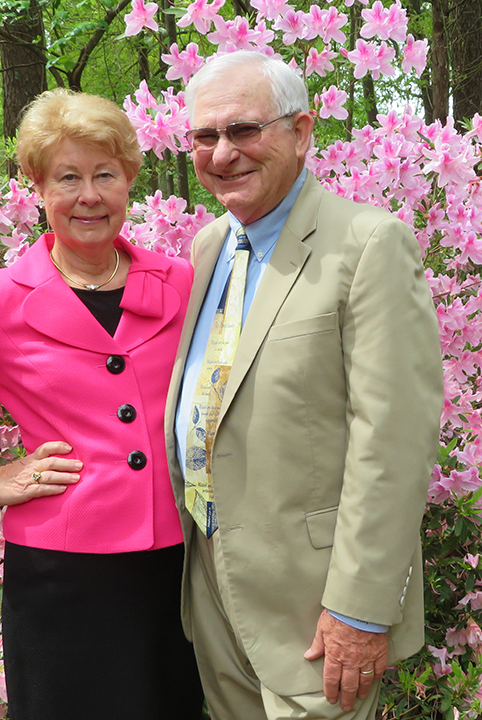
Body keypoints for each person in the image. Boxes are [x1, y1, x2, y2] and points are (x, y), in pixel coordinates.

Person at [0, 88, 203, 720]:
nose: (89, 195)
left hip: (176, 568)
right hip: (62, 577)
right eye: (68, 177)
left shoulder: (180, 282)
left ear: (130, 178)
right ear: (38, 188)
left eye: (105, 174)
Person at [164, 50, 444, 720]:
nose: (222, 153)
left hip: (314, 607)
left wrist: (359, 608)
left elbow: (393, 442)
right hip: (210, 580)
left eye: (243, 130)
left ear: (301, 130)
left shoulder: (368, 244)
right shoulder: (207, 248)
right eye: (205, 136)